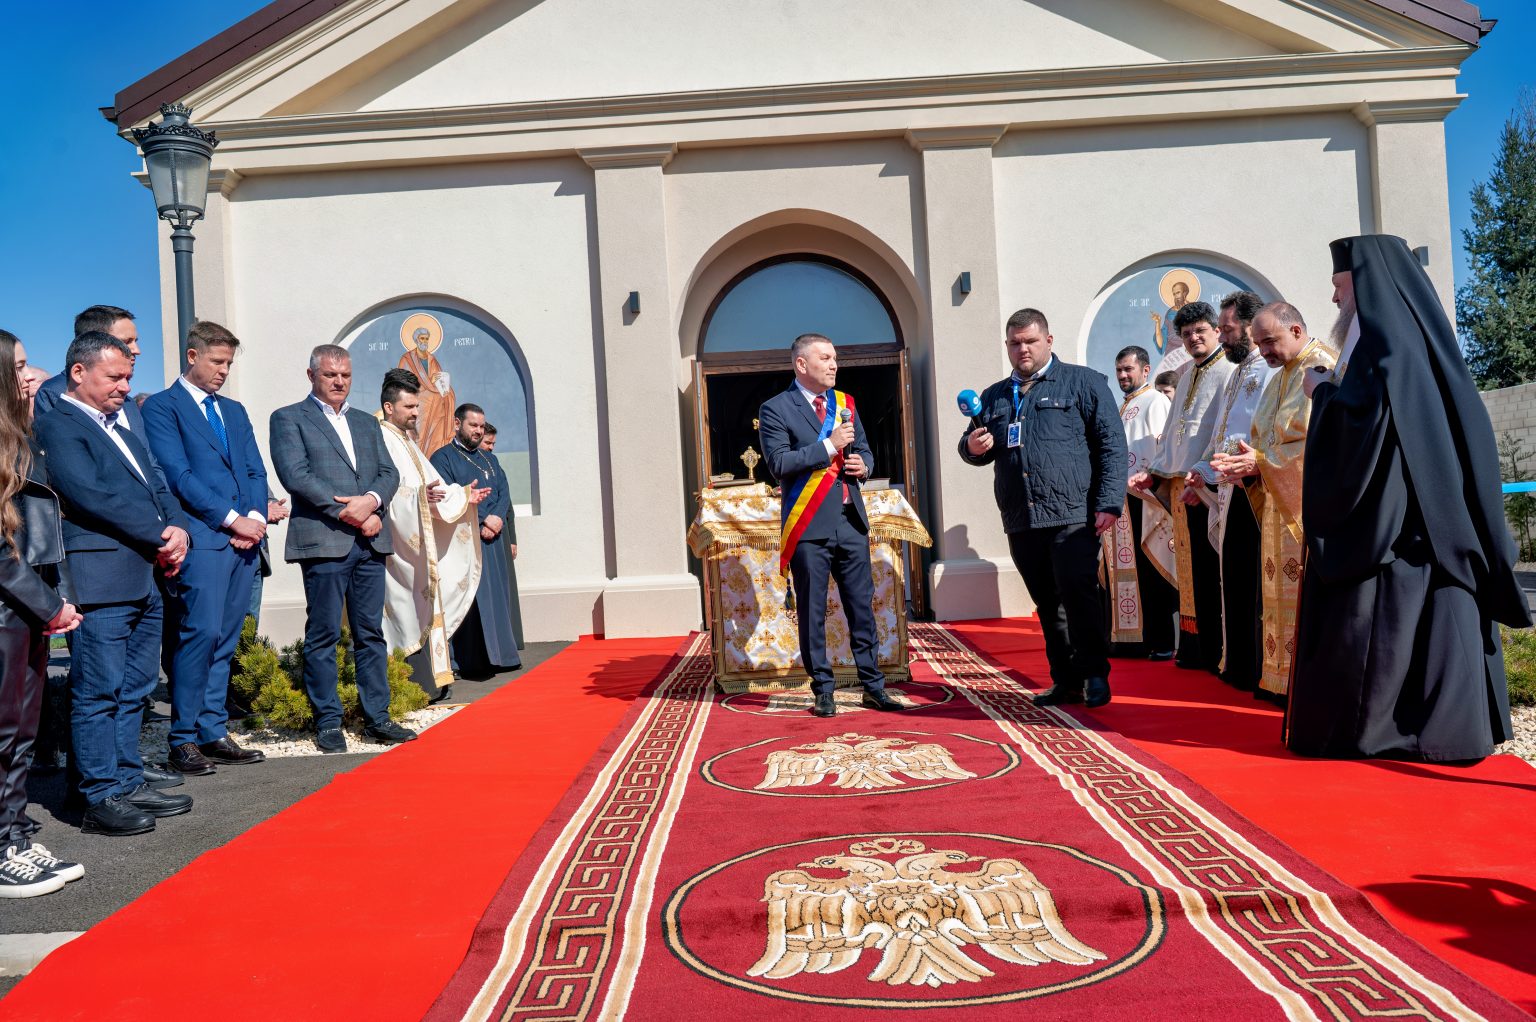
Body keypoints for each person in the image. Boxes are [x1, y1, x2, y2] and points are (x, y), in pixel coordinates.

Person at [1286, 235, 1530, 760]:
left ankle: (1386, 730)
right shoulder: (1405, 336)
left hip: (1398, 526)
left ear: (1364, 282)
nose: (1334, 298)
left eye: (1338, 285)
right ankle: (1443, 731)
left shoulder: (1384, 342)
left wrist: (1322, 394)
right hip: (1423, 517)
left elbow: (1367, 423)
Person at [34, 332, 194, 835]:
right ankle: (96, 795)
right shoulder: (60, 423)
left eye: (129, 377)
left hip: (143, 574)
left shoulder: (118, 425)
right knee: (98, 691)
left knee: (134, 689)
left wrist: (178, 528)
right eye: (115, 377)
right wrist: (161, 534)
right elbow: (91, 495)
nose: (125, 386)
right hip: (100, 579)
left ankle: (126, 780)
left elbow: (156, 484)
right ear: (79, 373)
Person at [960, 309, 1126, 708]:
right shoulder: (994, 396)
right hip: (1021, 516)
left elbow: (1111, 445)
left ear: (1048, 341)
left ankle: (1094, 675)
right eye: (1015, 343)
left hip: (1073, 513)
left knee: (1078, 593)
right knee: (1047, 604)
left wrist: (1109, 502)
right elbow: (973, 446)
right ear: (1007, 346)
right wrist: (971, 447)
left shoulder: (1083, 382)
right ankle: (1065, 680)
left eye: (1030, 341)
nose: (1023, 349)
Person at [141, 321, 270, 775]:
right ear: (192, 356)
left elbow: (255, 470)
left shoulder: (233, 410)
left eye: (229, 363)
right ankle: (183, 739)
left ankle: (213, 730)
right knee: (201, 634)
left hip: (244, 541)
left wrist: (254, 518)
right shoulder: (163, 407)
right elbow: (178, 476)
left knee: (227, 638)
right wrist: (232, 519)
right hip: (203, 538)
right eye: (217, 361)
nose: (224, 371)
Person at [270, 345, 409, 753]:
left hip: (370, 542)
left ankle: (378, 717)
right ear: (311, 375)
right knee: (324, 633)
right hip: (325, 541)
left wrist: (373, 502)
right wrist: (355, 513)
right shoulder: (289, 418)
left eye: (345, 375)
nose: (339, 381)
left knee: (370, 633)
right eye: (330, 374)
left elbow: (389, 472)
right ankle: (328, 721)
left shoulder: (367, 422)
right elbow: (297, 476)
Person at [759, 333, 901, 718]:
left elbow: (865, 449)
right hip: (809, 525)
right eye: (825, 358)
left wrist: (863, 465)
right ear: (801, 364)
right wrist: (829, 445)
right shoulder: (776, 409)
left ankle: (873, 686)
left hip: (850, 520)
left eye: (835, 357)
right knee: (813, 611)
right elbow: (779, 463)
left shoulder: (845, 403)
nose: (834, 364)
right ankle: (823, 689)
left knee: (861, 607)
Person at [1211, 302, 1334, 700]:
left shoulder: (1325, 369)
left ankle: (1304, 685)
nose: (1263, 351)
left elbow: (1325, 444)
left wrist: (1261, 462)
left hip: (1308, 512)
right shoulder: (1280, 375)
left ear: (1296, 331)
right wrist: (1247, 466)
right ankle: (1278, 678)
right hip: (1276, 507)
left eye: (1269, 341)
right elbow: (1264, 439)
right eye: (1259, 343)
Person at [0, 330, 85, 896]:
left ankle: (12, 832)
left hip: (25, 609)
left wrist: (51, 604)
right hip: (10, 609)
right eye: (20, 367)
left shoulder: (18, 437)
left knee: (21, 732)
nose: (31, 377)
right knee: (4, 731)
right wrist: (50, 605)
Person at [1129, 302, 1235, 673]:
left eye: (1200, 331)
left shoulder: (1229, 371)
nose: (1193, 338)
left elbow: (1221, 431)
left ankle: (1217, 648)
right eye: (1187, 333)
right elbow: (1175, 429)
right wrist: (1155, 473)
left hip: (1207, 486)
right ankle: (1195, 647)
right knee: (1190, 571)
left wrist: (1202, 476)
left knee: (1210, 570)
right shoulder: (1186, 372)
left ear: (1216, 331)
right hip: (1180, 486)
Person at [378, 370, 488, 703]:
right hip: (399, 550)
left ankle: (431, 682)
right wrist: (418, 499)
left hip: (418, 540)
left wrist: (462, 496)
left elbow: (431, 486)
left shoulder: (406, 440)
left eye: (417, 406)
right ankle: (408, 686)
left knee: (425, 605)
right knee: (405, 612)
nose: (417, 412)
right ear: (389, 407)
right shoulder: (381, 439)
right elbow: (387, 493)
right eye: (410, 407)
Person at [1198, 291, 1276, 689]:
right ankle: (1239, 663)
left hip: (1258, 485)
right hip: (1231, 486)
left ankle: (1257, 666)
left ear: (1250, 326)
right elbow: (1221, 433)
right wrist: (1202, 468)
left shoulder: (1270, 370)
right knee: (1234, 575)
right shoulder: (1237, 372)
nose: (1222, 336)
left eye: (1227, 329)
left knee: (1253, 580)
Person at [1104, 344, 1175, 659]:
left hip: (1144, 497)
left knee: (1151, 570)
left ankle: (1160, 641)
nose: (1122, 375)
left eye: (1128, 369)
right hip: (1122, 500)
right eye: (1119, 370)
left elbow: (1162, 444)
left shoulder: (1155, 400)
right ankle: (1130, 640)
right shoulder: (1124, 405)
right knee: (1124, 570)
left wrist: (1152, 482)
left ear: (1146, 370)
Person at [34, 306, 140, 421]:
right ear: (93, 340)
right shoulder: (53, 393)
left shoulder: (129, 403)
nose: (137, 350)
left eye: (135, 341)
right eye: (125, 342)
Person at [480, 424, 525, 650]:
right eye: (487, 443)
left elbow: (507, 504)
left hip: (502, 533)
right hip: (483, 531)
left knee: (507, 588)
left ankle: (511, 638)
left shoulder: (494, 466)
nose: (491, 447)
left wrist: (513, 538)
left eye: (493, 444)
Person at [398, 326, 457, 458]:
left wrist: (440, 382)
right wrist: (428, 384)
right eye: (422, 338)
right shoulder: (407, 358)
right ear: (416, 340)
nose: (424, 341)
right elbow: (403, 381)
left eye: (426, 339)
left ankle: (435, 450)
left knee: (448, 395)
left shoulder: (431, 358)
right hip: (416, 395)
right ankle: (419, 451)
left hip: (432, 394)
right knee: (431, 399)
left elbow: (437, 377)